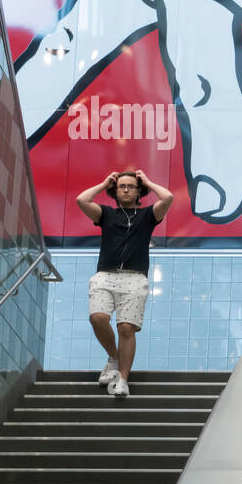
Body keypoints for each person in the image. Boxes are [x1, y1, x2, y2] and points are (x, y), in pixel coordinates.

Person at [76, 169, 174, 397]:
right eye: (122, 186)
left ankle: (122, 379)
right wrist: (103, 183)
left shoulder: (148, 215)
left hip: (135, 277)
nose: (126, 189)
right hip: (105, 275)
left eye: (131, 186)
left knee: (126, 328)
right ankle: (114, 356)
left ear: (139, 191)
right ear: (115, 190)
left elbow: (168, 197)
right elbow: (82, 200)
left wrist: (148, 181)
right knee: (98, 318)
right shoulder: (106, 214)